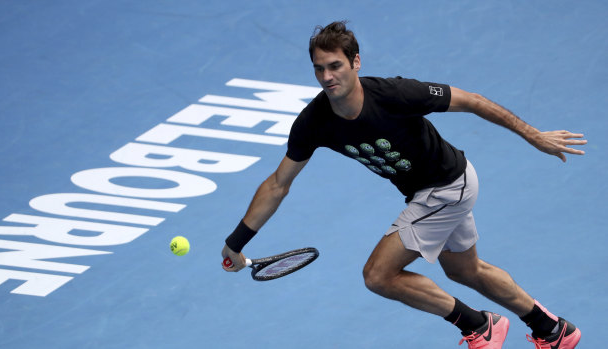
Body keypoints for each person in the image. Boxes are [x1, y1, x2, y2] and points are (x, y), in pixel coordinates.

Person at [221, 21, 586, 349]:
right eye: (319, 69)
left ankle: (480, 326)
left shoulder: (395, 94)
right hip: (432, 191)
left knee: (378, 275)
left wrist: (534, 135)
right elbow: (277, 184)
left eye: (336, 66)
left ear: (355, 63)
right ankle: (553, 330)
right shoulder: (314, 122)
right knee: (464, 270)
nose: (328, 77)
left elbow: (472, 101)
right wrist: (235, 243)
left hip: (447, 186)